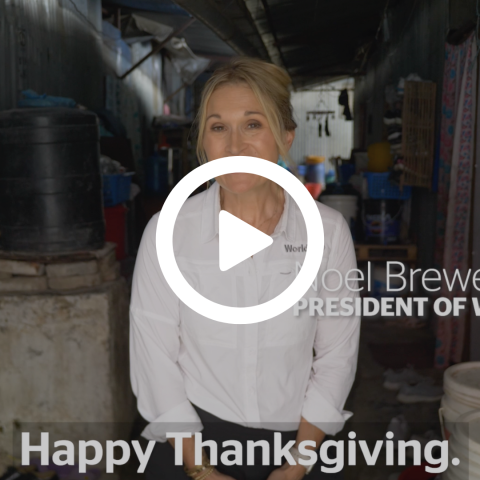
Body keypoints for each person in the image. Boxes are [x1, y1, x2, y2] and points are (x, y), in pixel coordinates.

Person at [130, 57, 360, 480]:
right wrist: (201, 470)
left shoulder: (327, 232)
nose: (234, 146)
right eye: (218, 127)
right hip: (191, 436)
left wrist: (297, 464)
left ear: (285, 136)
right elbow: (154, 358)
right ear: (203, 142)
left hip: (298, 437)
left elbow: (336, 355)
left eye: (253, 124)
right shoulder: (169, 231)